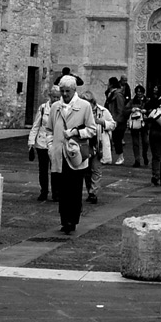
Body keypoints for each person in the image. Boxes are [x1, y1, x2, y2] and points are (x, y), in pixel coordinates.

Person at [45, 73, 100, 235]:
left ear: (74, 90)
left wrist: (76, 132)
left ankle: (73, 219)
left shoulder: (84, 106)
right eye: (62, 91)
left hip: (76, 154)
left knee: (75, 188)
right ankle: (64, 219)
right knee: (62, 189)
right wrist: (50, 146)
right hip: (58, 153)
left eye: (67, 91)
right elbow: (49, 129)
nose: (64, 94)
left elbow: (91, 129)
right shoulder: (55, 107)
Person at [27, 83, 60, 202]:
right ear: (50, 96)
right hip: (42, 142)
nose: (55, 99)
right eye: (54, 97)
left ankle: (56, 192)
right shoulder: (42, 108)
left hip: (55, 143)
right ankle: (44, 191)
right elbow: (35, 126)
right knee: (43, 169)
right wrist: (31, 143)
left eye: (58, 97)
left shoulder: (61, 108)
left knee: (55, 169)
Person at [128, 93, 148, 167]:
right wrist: (131, 110)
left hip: (144, 124)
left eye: (141, 92)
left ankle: (144, 155)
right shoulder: (132, 101)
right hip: (135, 123)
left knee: (145, 142)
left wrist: (146, 111)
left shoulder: (147, 101)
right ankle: (137, 160)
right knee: (135, 143)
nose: (139, 94)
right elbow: (125, 110)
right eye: (138, 92)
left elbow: (152, 109)